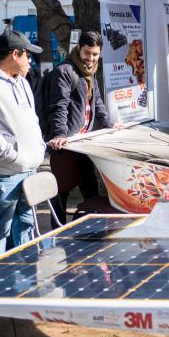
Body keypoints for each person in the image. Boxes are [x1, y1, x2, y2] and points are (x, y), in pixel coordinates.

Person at [45, 30, 119, 227]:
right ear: (79, 49)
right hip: (65, 145)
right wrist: (60, 134)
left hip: (83, 143)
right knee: (60, 194)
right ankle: (58, 235)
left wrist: (110, 125)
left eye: (95, 54)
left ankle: (90, 230)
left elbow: (97, 104)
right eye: (87, 53)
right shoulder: (65, 71)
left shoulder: (90, 71)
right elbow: (58, 106)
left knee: (90, 189)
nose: (91, 58)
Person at [0, 30, 45, 255]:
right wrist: (14, 158)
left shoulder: (23, 82)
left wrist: (39, 147)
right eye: (27, 55)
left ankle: (24, 287)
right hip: (5, 174)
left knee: (26, 226)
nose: (30, 60)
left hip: (30, 169)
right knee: (0, 233)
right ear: (15, 54)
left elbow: (31, 119)